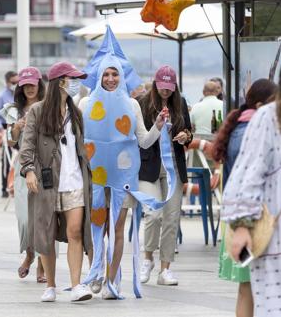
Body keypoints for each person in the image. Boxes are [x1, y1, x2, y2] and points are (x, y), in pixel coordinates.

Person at [79, 29, 169, 300]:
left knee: (118, 229)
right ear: (99, 76)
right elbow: (78, 141)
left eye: (115, 74)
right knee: (97, 227)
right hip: (95, 178)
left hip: (123, 180)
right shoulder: (84, 103)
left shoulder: (132, 105)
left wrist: (158, 127)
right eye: (106, 74)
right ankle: (95, 272)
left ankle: (110, 281)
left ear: (121, 76)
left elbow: (142, 142)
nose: (110, 78)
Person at [18, 62, 93, 302]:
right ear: (60, 81)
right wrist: (29, 171)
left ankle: (76, 285)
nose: (75, 83)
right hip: (47, 182)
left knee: (76, 232)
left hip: (75, 181)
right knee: (46, 234)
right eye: (72, 78)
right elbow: (27, 145)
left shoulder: (76, 113)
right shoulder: (38, 111)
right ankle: (50, 285)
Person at [213, 79, 277, 317]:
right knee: (249, 289)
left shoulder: (239, 126)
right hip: (253, 225)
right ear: (261, 105)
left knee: (247, 288)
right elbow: (249, 179)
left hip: (245, 223)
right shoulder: (254, 129)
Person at [138, 66, 193, 286]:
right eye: (162, 87)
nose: (166, 92)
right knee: (153, 214)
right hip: (149, 166)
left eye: (170, 88)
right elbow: (138, 136)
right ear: (155, 84)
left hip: (174, 168)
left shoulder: (180, 103)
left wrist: (184, 136)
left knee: (171, 219)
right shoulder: (142, 104)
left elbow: (189, 132)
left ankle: (165, 268)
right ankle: (148, 258)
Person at [0, 66, 46, 282]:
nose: (29, 88)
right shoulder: (13, 109)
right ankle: (29, 255)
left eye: (32, 84)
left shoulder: (49, 106)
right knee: (25, 218)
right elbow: (10, 141)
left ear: (39, 84)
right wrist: (17, 127)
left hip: (46, 163)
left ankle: (43, 266)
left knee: (46, 217)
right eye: (25, 85)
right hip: (22, 164)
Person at [0, 70, 19, 197]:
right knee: (6, 159)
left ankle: (18, 185)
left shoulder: (21, 94)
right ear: (7, 82)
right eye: (13, 82)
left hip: (20, 127)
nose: (16, 84)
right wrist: (0, 129)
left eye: (18, 82)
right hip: (6, 127)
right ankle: (4, 188)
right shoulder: (2, 96)